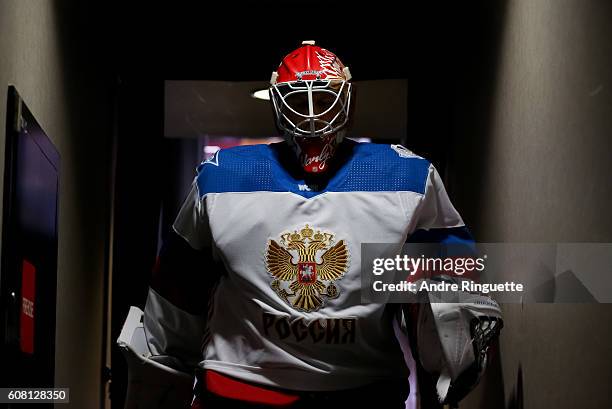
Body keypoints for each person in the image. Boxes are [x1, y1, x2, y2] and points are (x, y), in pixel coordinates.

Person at [141, 41, 502, 409]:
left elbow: (455, 274)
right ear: (278, 105)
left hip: (361, 389)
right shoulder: (221, 178)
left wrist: (456, 326)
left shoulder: (409, 176)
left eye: (325, 99)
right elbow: (175, 293)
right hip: (243, 388)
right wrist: (162, 379)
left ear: (348, 100)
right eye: (298, 102)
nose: (313, 117)